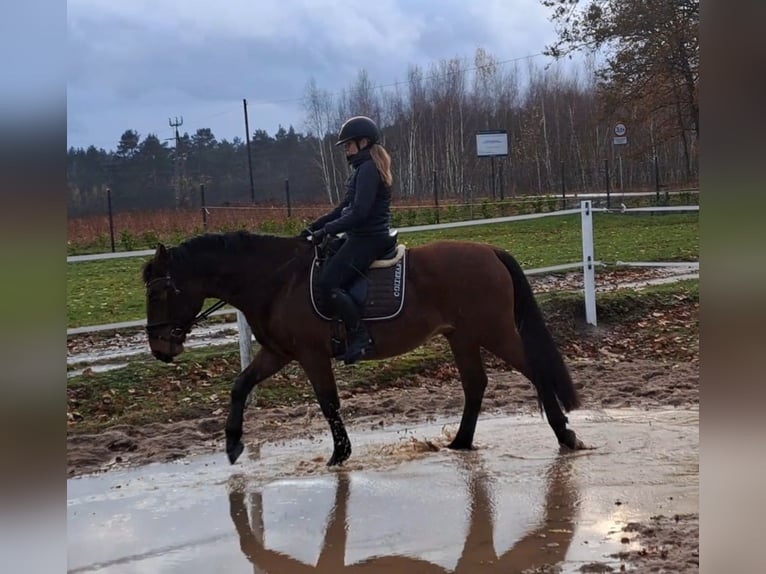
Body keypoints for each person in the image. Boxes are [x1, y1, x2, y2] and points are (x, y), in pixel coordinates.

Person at [301, 115, 396, 365]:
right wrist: (314, 227)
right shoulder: (361, 170)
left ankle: (360, 336)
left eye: (349, 145)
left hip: (369, 238)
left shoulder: (368, 171)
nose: (346, 150)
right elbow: (342, 208)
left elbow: (359, 213)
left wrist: (327, 231)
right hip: (360, 235)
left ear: (363, 142)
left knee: (328, 282)